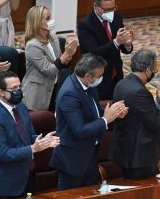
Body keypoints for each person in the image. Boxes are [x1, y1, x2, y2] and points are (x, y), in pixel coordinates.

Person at [50, 53, 128, 190]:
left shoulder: (87, 85)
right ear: (87, 76)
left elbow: (92, 109)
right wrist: (105, 120)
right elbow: (79, 130)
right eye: (99, 76)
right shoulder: (70, 94)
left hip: (89, 154)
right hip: (73, 161)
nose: (101, 79)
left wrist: (114, 113)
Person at [0, 71, 59, 199]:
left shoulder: (21, 107)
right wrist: (32, 149)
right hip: (6, 185)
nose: (18, 91)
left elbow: (29, 134)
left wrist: (43, 141)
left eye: (19, 87)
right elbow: (3, 154)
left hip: (27, 175)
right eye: (13, 88)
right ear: (1, 92)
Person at [110, 49, 160, 179]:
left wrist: (158, 101)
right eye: (154, 70)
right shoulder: (140, 91)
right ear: (148, 71)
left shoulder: (121, 84)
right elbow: (157, 123)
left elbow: (141, 112)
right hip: (139, 157)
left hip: (126, 153)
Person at [77, 0, 135, 100]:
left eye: (113, 8)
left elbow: (122, 48)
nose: (111, 13)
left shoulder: (116, 18)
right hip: (98, 77)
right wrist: (116, 42)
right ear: (95, 6)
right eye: (107, 10)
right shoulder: (85, 25)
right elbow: (93, 53)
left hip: (117, 74)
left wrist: (127, 44)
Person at [22, 6, 78, 111]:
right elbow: (49, 70)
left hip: (53, 88)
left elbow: (61, 63)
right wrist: (66, 54)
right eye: (48, 18)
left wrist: (69, 54)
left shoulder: (53, 38)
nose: (51, 20)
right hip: (36, 94)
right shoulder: (32, 45)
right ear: (38, 22)